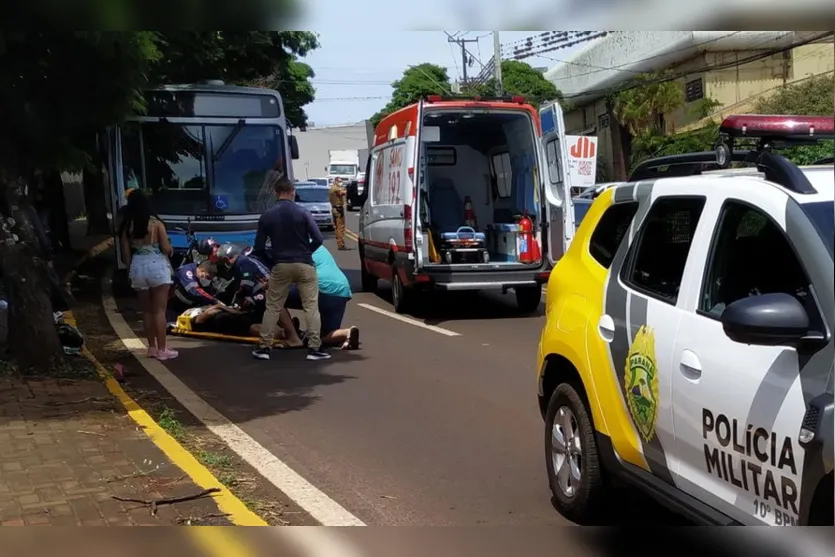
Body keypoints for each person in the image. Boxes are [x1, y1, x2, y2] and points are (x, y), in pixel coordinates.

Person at [252, 175, 329, 361]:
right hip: (304, 265)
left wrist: (273, 260)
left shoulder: (267, 216)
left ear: (276, 193)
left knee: (273, 307)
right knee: (311, 306)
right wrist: (306, 253)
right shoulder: (303, 213)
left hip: (281, 265)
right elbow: (318, 238)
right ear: (292, 192)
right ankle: (314, 348)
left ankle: (264, 348)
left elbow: (259, 248)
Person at [118, 189, 178, 360]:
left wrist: (134, 266)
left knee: (146, 311)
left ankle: (151, 347)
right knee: (159, 311)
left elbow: (125, 256)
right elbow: (166, 249)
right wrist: (170, 250)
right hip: (157, 265)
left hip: (137, 265)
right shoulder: (156, 224)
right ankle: (163, 350)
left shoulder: (127, 226)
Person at [215, 243, 303, 347]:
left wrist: (239, 298)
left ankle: (289, 334)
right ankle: (289, 328)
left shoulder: (242, 262)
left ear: (228, 259)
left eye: (224, 261)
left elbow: (247, 284)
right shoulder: (246, 261)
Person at [285, 245, 359, 350]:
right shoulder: (318, 246)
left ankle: (291, 334)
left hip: (321, 288)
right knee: (324, 336)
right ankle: (347, 333)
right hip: (341, 290)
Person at [328, 177, 348, 250]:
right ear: (335, 181)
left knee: (336, 227)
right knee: (340, 227)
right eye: (339, 181)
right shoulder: (335, 188)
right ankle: (341, 244)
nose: (341, 183)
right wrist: (347, 189)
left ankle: (339, 243)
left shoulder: (331, 188)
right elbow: (343, 193)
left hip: (334, 208)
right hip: (338, 209)